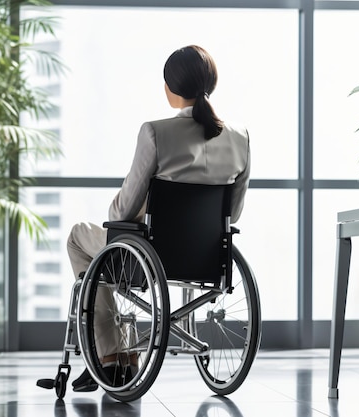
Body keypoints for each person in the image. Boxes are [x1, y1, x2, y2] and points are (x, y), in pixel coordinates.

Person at [67, 45, 251, 392]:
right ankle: (116, 352)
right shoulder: (240, 137)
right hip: (208, 255)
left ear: (170, 88)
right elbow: (234, 213)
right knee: (109, 249)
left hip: (146, 252)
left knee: (80, 236)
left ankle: (111, 355)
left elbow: (121, 212)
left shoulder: (154, 132)